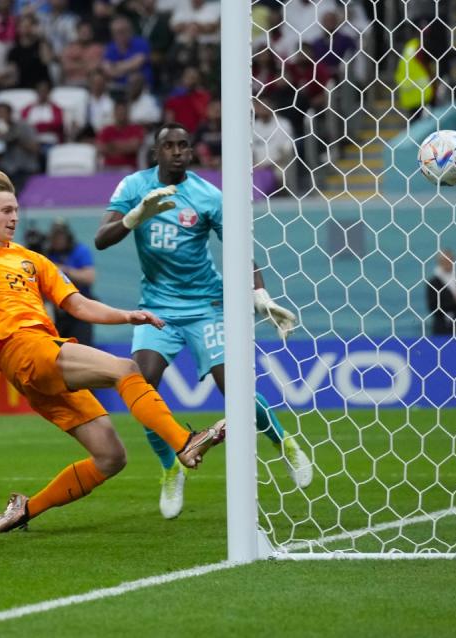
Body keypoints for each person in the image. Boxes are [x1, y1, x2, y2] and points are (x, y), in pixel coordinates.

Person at [0, 170, 226, 534]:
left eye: (16, 210)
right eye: (6, 211)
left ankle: (25, 509)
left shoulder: (33, 259)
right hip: (21, 347)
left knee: (111, 457)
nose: (15, 217)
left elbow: (78, 305)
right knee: (125, 369)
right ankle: (184, 444)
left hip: (40, 361)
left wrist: (127, 315)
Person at [94, 122, 313, 521]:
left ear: (191, 152)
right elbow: (101, 239)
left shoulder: (208, 196)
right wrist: (134, 217)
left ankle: (284, 442)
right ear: (156, 152)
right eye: (169, 146)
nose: (177, 151)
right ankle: (170, 468)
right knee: (141, 389)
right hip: (157, 309)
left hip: (205, 307)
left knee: (236, 389)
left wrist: (260, 296)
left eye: (184, 145)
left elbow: (241, 250)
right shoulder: (132, 187)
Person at [45, 220, 95, 346]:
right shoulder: (46, 254)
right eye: (55, 237)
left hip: (80, 308)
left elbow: (89, 276)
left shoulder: (79, 250)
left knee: (82, 346)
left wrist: (63, 270)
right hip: (58, 311)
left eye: (61, 236)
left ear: (67, 237)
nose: (58, 240)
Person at [426, 249, 456, 336]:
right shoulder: (433, 282)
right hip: (440, 328)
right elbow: (432, 306)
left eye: (450, 260)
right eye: (445, 261)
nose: (448, 263)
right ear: (439, 262)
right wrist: (455, 303)